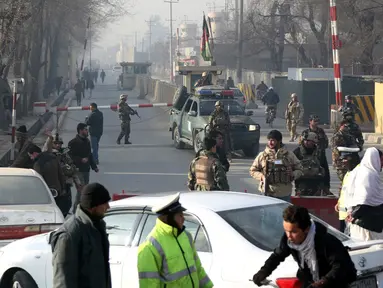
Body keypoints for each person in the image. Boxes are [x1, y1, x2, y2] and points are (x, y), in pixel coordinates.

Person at [252, 205, 357, 288]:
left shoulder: (326, 241)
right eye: (286, 231)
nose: (289, 236)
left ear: (306, 229)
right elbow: (278, 255)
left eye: (293, 232)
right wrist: (263, 272)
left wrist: (321, 283)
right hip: (309, 282)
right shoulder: (289, 239)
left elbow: (340, 267)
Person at [137, 192, 213, 287]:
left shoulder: (186, 236)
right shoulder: (150, 246)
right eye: (179, 215)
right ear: (166, 218)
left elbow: (197, 268)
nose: (183, 219)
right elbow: (149, 284)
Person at [50, 183, 112, 288]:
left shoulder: (98, 227)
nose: (108, 207)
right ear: (93, 206)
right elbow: (63, 280)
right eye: (105, 203)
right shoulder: (69, 235)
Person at [249, 130, 303, 202]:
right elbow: (253, 170)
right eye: (269, 140)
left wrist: (292, 174)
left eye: (273, 140)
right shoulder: (262, 155)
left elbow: (300, 169)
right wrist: (261, 176)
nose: (270, 143)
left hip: (284, 193)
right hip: (267, 192)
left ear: (279, 141)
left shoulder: (289, 155)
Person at [344, 148, 383, 241]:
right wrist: (354, 214)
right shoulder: (368, 174)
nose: (382, 163)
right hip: (367, 224)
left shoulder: (359, 171)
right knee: (369, 251)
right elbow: (364, 199)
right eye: (381, 160)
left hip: (359, 221)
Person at [28, 145, 68, 215]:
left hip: (46, 192)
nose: (31, 158)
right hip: (57, 190)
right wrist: (63, 188)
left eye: (30, 156)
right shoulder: (53, 158)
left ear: (34, 153)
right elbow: (61, 174)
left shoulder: (38, 164)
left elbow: (38, 181)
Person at [68, 123, 99, 213]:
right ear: (80, 130)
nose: (87, 131)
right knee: (81, 190)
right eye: (85, 130)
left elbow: (89, 155)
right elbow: (69, 157)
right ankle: (75, 210)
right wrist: (80, 160)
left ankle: (80, 209)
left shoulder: (87, 141)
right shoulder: (73, 142)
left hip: (86, 170)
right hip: (77, 170)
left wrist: (94, 167)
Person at [299, 115, 330, 192]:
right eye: (314, 121)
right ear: (310, 121)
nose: (316, 123)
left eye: (317, 121)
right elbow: (301, 145)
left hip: (319, 155)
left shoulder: (321, 131)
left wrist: (319, 149)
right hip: (307, 157)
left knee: (322, 170)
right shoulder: (305, 132)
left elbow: (325, 143)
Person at [334, 146, 360, 233]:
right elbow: (345, 190)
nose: (342, 162)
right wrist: (339, 202)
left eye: (344, 159)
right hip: (343, 215)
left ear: (352, 159)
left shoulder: (358, 172)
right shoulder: (349, 172)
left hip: (350, 216)